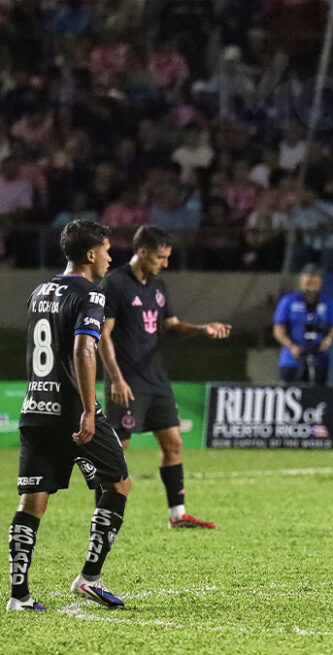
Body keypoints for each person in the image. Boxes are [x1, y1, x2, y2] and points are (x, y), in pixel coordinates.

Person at [9, 220, 131, 611]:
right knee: (118, 486)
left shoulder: (39, 291)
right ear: (91, 254)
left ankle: (19, 596)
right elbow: (82, 350)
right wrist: (89, 410)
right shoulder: (92, 294)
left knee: (32, 502)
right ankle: (89, 578)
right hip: (72, 412)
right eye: (108, 251)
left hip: (35, 408)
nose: (111, 258)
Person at [98, 226, 230, 529]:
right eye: (160, 257)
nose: (165, 264)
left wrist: (201, 329)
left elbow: (170, 325)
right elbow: (103, 336)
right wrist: (116, 379)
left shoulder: (157, 286)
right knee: (118, 449)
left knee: (173, 444)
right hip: (127, 381)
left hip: (156, 380)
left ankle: (177, 515)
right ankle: (104, 514)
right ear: (142, 252)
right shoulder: (115, 284)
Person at [272, 264, 333, 385]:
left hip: (319, 358)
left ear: (320, 283)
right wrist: (292, 346)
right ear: (301, 282)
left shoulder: (329, 303)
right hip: (292, 359)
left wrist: (328, 341)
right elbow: (278, 330)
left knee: (317, 397)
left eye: (314, 284)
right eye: (307, 284)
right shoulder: (288, 301)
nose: (310, 289)